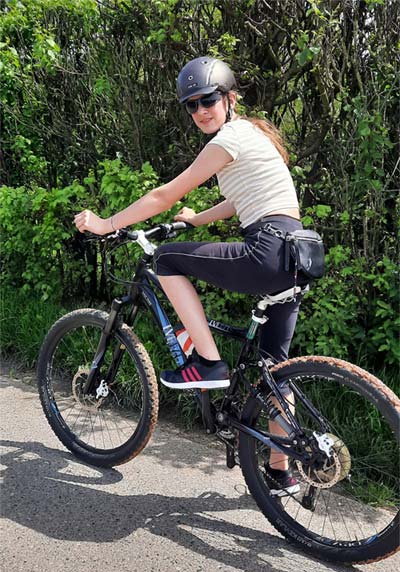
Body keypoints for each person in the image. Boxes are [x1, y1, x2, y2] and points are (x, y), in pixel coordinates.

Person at [74, 57, 305, 495]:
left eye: (208, 100)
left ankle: (208, 363)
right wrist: (197, 219)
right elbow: (240, 201)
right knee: (274, 368)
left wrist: (107, 223)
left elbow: (165, 194)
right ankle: (282, 470)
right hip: (298, 253)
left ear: (229, 98)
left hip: (267, 248)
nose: (200, 110)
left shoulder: (230, 137)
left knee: (166, 260)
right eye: (191, 105)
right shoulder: (252, 136)